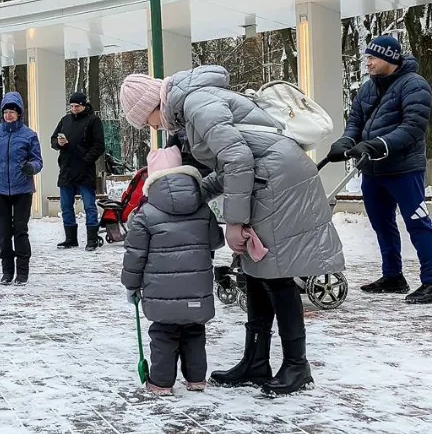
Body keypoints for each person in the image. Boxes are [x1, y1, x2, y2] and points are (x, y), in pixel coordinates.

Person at [119, 67, 345, 397]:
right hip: (265, 176)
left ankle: (298, 366)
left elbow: (238, 159)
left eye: (148, 120)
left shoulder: (196, 104)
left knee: (277, 274)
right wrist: (195, 193)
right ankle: (256, 360)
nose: (154, 126)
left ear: (154, 104)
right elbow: (231, 166)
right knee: (255, 270)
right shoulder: (193, 104)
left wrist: (236, 221)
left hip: (277, 180)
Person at [328, 36, 432, 304]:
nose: (368, 63)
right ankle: (393, 276)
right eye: (367, 58)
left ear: (389, 58)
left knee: (418, 224)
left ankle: (431, 280)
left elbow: (412, 127)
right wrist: (346, 142)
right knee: (382, 225)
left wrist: (377, 144)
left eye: (372, 58)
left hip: (405, 170)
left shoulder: (415, 86)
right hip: (373, 171)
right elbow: (355, 122)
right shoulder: (367, 89)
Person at [121, 146, 224, 395]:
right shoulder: (202, 208)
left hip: (160, 292)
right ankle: (197, 379)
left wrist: (131, 285)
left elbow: (135, 255)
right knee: (194, 332)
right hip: (197, 289)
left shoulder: (144, 214)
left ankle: (161, 383)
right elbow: (215, 241)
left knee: (163, 334)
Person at [0, 92, 44, 286]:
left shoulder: (29, 135)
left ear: (19, 113)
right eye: (6, 111)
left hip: (22, 189)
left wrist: (31, 167)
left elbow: (38, 160)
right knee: (4, 232)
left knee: (20, 230)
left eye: (12, 112)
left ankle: (22, 272)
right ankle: (7, 271)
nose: (9, 115)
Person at [51, 91, 106, 251]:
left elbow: (99, 145)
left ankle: (92, 238)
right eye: (72, 106)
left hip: (85, 169)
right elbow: (53, 140)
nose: (74, 108)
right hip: (66, 168)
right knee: (66, 205)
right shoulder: (65, 120)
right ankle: (70, 238)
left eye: (77, 106)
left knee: (89, 205)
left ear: (83, 105)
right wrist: (58, 143)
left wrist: (86, 158)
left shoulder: (93, 121)